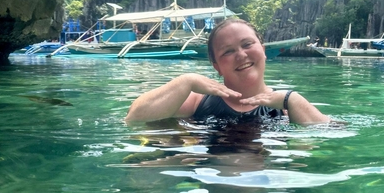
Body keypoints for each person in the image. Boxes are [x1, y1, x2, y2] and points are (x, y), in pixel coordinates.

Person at [125, 19, 331, 125]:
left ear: (263, 50)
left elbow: (329, 134)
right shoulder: (197, 101)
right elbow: (135, 118)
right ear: (216, 66)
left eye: (247, 44)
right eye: (228, 51)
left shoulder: (284, 105)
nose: (241, 55)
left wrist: (291, 99)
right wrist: (186, 81)